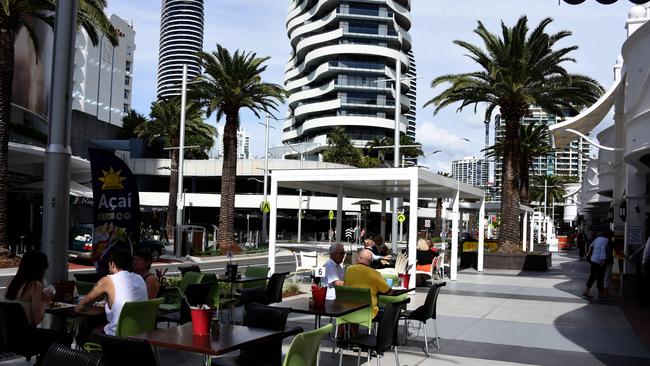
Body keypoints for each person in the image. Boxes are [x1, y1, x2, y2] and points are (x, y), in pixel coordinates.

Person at [5, 251, 72, 361]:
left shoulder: (11, 281)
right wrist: (45, 302)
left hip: (10, 337)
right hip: (27, 337)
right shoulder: (35, 285)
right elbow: (36, 320)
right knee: (65, 338)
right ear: (40, 267)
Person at [75, 250, 148, 336]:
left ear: (112, 264)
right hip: (140, 335)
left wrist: (103, 310)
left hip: (116, 338)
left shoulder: (108, 280)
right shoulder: (140, 279)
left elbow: (80, 307)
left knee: (85, 329)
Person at [345, 249, 390, 319]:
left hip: (349, 311)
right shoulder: (374, 273)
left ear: (358, 258)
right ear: (371, 260)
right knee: (391, 312)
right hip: (369, 313)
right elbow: (388, 291)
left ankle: (351, 329)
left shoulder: (348, 270)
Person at [583, 230, 613, 299]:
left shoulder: (598, 239)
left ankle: (586, 290)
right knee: (600, 277)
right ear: (609, 236)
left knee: (593, 276)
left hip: (593, 259)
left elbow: (591, 246)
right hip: (599, 261)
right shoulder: (606, 240)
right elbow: (603, 250)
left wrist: (589, 254)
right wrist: (603, 260)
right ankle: (600, 293)